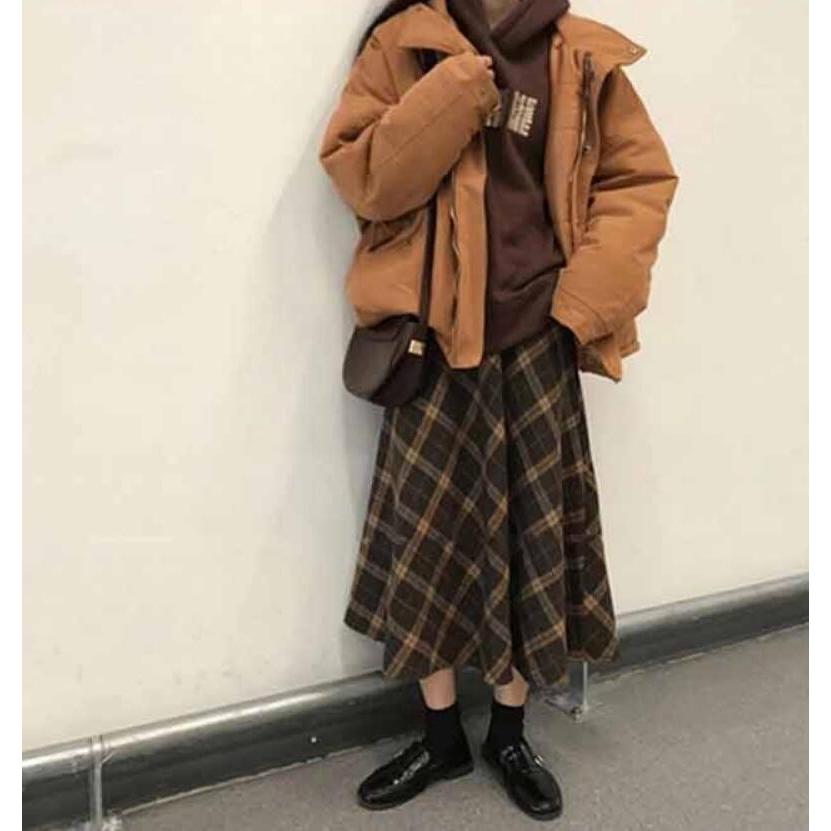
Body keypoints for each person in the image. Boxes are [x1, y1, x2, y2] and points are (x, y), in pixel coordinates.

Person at [318, 0, 677, 821]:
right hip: (432, 342)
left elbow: (638, 182)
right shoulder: (404, 42)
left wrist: (581, 303)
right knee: (428, 537)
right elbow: (367, 181)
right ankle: (439, 734)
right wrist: (453, 92)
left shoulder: (580, 52)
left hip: (537, 340)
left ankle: (509, 733)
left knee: (530, 535)